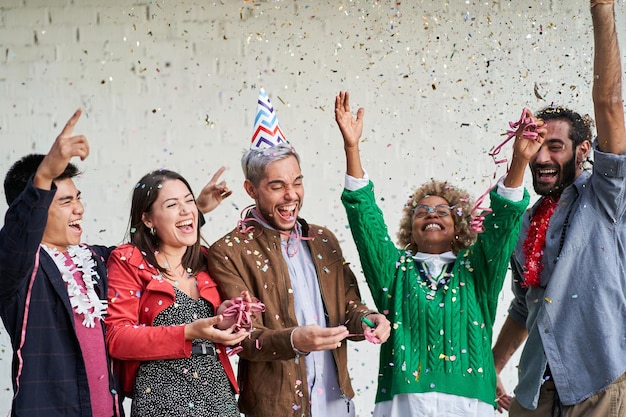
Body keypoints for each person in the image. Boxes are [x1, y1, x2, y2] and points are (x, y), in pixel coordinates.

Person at [335, 90, 539, 416]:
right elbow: (365, 221)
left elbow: (504, 224)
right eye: (422, 211)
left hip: (471, 404)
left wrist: (520, 160)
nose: (431, 214)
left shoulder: (477, 269)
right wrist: (351, 148)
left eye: (442, 211)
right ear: (410, 228)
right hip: (404, 404)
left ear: (458, 227)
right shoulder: (395, 270)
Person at [206, 88, 391, 417]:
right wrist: (294, 340)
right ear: (251, 189)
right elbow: (242, 337)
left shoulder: (323, 239)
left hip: (336, 402)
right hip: (276, 408)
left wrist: (368, 320)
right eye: (277, 186)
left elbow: (349, 307)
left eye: (298, 182)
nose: (291, 195)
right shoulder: (228, 252)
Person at [492, 2, 626, 416]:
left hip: (598, 383)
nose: (543, 156)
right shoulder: (526, 221)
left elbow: (609, 104)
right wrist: (489, 368)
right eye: (537, 146)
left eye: (556, 146)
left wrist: (602, 10)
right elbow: (523, 306)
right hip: (535, 389)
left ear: (583, 151)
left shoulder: (606, 196)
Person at [0, 109, 123, 417]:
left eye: (77, 198)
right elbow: (16, 238)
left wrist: (192, 211)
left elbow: (145, 255)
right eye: (66, 202)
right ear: (37, 207)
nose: (79, 209)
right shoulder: (20, 267)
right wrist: (42, 177)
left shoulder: (95, 259)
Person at [104, 168, 250, 417]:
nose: (186, 210)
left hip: (218, 394)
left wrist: (227, 319)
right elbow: (116, 338)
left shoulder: (206, 259)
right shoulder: (128, 260)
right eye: (172, 204)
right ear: (148, 219)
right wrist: (188, 332)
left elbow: (213, 328)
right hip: (161, 397)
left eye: (189, 201)